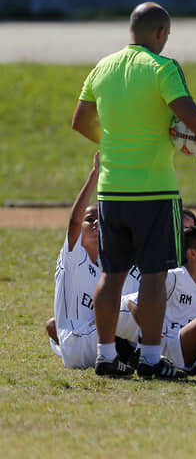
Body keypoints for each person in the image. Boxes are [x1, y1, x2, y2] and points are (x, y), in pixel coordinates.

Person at [71, 2, 196, 378]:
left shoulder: (102, 67)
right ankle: (152, 360)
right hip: (154, 191)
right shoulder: (163, 68)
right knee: (155, 275)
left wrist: (112, 144)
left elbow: (79, 120)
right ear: (160, 33)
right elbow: (188, 113)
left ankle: (106, 357)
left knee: (112, 275)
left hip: (111, 191)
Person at [116, 226, 196, 374]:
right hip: (166, 347)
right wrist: (149, 337)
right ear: (192, 253)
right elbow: (132, 304)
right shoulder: (173, 277)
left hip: (190, 352)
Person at [45, 152, 101, 369]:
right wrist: (94, 176)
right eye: (90, 220)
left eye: (100, 219)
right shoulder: (74, 257)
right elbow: (74, 221)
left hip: (94, 339)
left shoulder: (108, 265)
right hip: (77, 342)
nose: (96, 223)